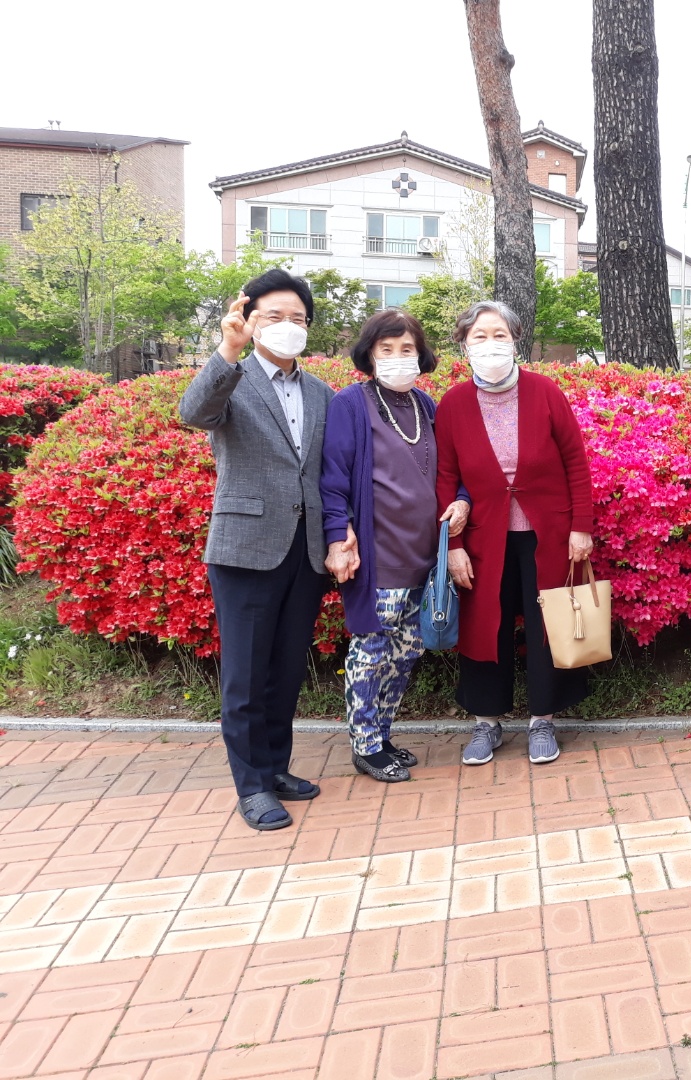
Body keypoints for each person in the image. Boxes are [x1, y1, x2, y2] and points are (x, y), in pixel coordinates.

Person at [179, 269, 334, 831]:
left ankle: (275, 768)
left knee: (287, 670)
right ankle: (252, 788)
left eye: (298, 317)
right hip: (245, 548)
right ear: (250, 320)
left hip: (305, 549)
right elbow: (193, 413)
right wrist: (228, 349)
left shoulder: (322, 394)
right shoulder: (233, 379)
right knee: (245, 676)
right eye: (274, 315)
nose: (288, 325)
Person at [437, 301, 595, 767]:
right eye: (480, 337)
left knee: (549, 624)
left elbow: (576, 462)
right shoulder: (453, 403)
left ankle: (542, 719)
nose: (490, 345)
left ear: (515, 340)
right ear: (464, 345)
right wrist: (453, 546)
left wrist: (581, 527)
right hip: (483, 537)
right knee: (485, 624)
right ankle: (486, 722)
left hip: (549, 531)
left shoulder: (545, 391)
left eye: (499, 335)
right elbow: (445, 478)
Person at [320, 309, 471, 783]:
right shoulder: (350, 404)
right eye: (386, 349)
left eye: (407, 348)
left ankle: (382, 737)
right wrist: (337, 534)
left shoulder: (427, 405)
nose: (398, 357)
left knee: (406, 652)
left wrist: (462, 500)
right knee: (372, 650)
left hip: (424, 557)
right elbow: (332, 480)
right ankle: (365, 746)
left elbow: (454, 469)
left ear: (420, 354)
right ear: (369, 354)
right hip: (378, 557)